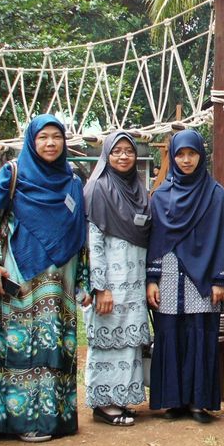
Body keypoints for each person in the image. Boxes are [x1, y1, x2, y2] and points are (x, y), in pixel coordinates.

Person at [0, 114, 90, 443]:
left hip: (61, 278)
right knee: (20, 343)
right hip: (20, 272)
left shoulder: (72, 179)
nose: (51, 143)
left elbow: (80, 233)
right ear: (32, 140)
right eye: (43, 137)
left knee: (53, 346)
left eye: (57, 136)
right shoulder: (13, 172)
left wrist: (83, 279)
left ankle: (52, 420)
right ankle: (13, 420)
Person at [146, 130, 224, 423]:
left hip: (205, 273)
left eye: (191, 154)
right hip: (169, 271)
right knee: (169, 332)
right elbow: (155, 237)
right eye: (180, 154)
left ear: (201, 155)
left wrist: (221, 279)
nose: (185, 160)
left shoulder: (215, 194)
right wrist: (152, 278)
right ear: (172, 157)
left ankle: (198, 401)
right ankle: (173, 400)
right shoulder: (160, 195)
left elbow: (223, 237)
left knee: (200, 331)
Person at [84, 131, 151, 426]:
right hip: (110, 283)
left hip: (135, 281)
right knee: (107, 344)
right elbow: (93, 243)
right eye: (117, 151)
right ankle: (104, 406)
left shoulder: (139, 189)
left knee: (128, 345)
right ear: (107, 155)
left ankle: (119, 400)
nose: (123, 156)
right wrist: (101, 287)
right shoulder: (98, 189)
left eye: (128, 151)